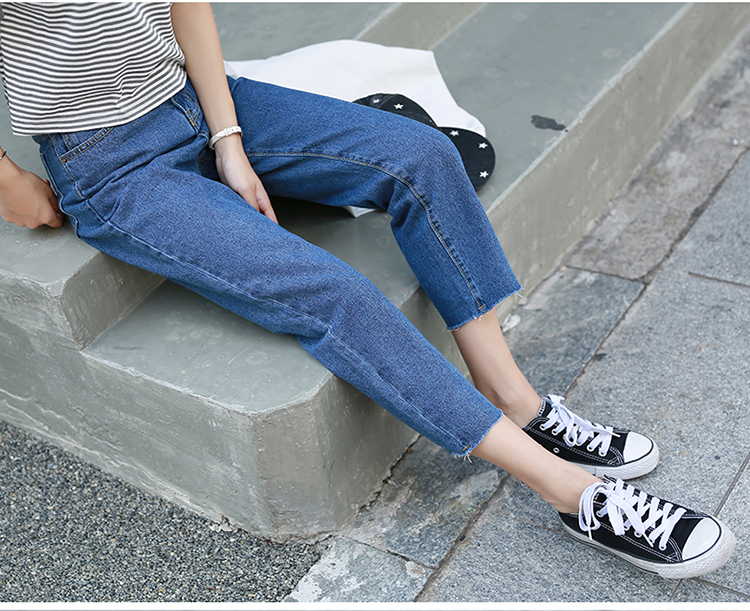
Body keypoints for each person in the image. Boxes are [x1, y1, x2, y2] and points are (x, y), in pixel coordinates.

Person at [0, 2, 735, 580]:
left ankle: (516, 398)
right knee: (333, 292)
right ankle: (573, 494)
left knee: (421, 154)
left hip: (197, 99)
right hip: (111, 164)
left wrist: (228, 141)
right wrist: (11, 185)